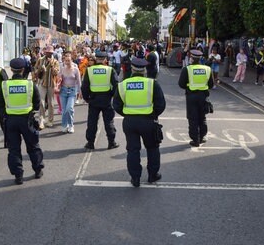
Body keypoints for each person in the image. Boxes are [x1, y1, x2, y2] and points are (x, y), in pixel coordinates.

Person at [113, 57, 166, 187]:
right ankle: (153, 175)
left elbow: (116, 105)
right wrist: (153, 115)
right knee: (152, 148)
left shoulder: (122, 85)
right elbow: (161, 104)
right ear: (144, 70)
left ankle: (135, 178)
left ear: (132, 69)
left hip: (130, 122)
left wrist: (127, 114)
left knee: (132, 150)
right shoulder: (152, 84)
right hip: (148, 121)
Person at [0, 58, 44, 185]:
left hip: (11, 120)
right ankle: (38, 170)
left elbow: (0, 104)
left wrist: (5, 116)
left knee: (13, 149)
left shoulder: (4, 85)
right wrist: (32, 113)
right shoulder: (29, 84)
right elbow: (37, 102)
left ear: (11, 70)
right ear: (23, 69)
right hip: (27, 120)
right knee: (33, 146)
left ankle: (18, 175)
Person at [81, 51, 119, 150]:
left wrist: (87, 98)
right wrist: (111, 95)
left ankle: (90, 143)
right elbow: (116, 85)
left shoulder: (89, 70)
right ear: (105, 60)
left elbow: (84, 86)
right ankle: (111, 142)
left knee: (92, 122)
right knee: (109, 121)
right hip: (106, 99)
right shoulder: (110, 70)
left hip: (93, 99)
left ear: (96, 59)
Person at [178, 50, 214, 147]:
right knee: (202, 117)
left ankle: (195, 139)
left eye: (190, 57)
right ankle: (202, 137)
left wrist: (189, 86)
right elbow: (211, 84)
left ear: (192, 58)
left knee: (192, 117)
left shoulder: (187, 69)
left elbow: (181, 84)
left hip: (191, 96)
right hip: (203, 96)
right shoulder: (207, 69)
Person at [34, 45, 60, 129]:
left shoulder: (55, 61)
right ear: (45, 52)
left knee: (51, 103)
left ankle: (50, 120)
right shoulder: (40, 60)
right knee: (41, 101)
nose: (49, 54)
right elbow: (35, 71)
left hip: (51, 83)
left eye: (50, 53)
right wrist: (40, 69)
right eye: (47, 52)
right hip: (42, 83)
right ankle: (41, 120)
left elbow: (56, 73)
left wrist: (52, 66)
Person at [57, 54, 81, 133]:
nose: (67, 62)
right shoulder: (62, 69)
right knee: (64, 110)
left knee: (69, 108)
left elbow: (78, 81)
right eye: (66, 61)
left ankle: (71, 125)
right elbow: (58, 79)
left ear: (72, 60)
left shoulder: (75, 69)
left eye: (69, 60)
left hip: (72, 90)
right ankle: (64, 125)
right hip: (63, 90)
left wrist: (80, 92)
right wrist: (59, 78)